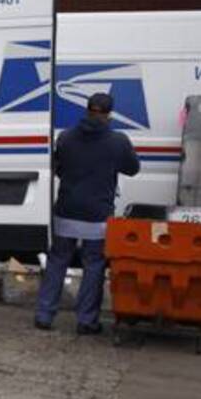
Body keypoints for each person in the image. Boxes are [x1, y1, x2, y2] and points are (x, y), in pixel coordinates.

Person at [36, 92, 140, 334]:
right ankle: (86, 320)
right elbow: (132, 169)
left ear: (87, 110)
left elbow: (58, 168)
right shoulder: (118, 141)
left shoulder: (65, 138)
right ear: (109, 114)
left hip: (66, 209)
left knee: (58, 261)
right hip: (97, 214)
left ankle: (44, 314)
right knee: (93, 265)